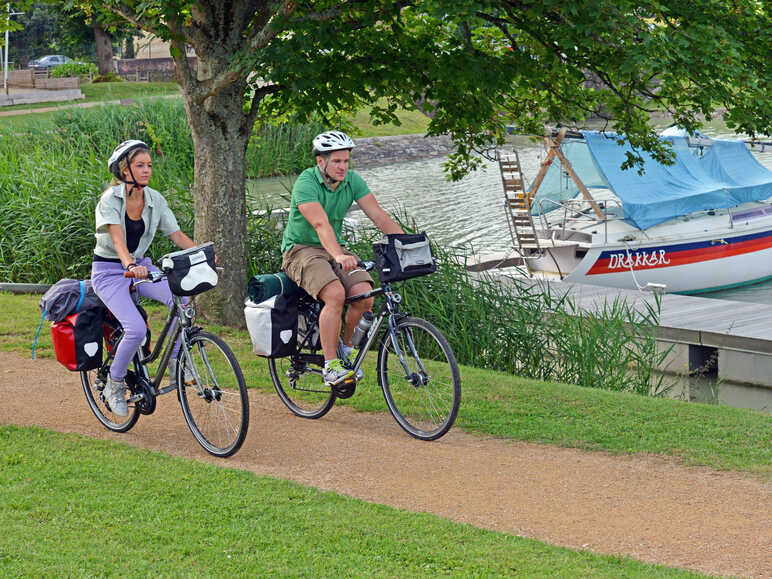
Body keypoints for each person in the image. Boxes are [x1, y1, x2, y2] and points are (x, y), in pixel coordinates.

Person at [281, 131, 404, 387]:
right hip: (301, 250)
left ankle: (346, 352)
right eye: (336, 161)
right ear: (321, 162)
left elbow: (378, 216)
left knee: (365, 296)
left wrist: (407, 245)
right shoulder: (307, 182)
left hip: (336, 248)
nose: (343, 167)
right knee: (335, 294)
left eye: (346, 161)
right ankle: (331, 366)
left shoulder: (352, 182)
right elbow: (320, 223)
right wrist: (337, 255)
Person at [91, 140, 196, 416]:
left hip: (140, 267)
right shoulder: (109, 200)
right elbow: (117, 239)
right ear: (124, 169)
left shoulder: (155, 200)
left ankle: (175, 364)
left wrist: (202, 252)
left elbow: (177, 235)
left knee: (182, 300)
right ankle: (113, 383)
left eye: (149, 165)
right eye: (140, 165)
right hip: (109, 272)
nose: (147, 170)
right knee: (135, 329)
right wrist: (129, 263)